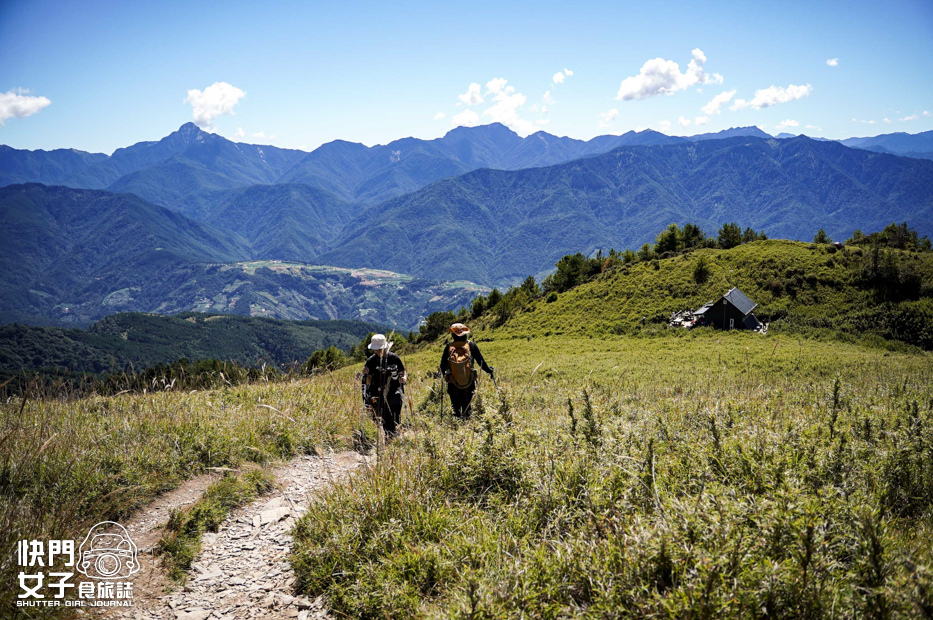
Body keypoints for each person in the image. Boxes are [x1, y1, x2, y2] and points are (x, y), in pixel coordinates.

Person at [440, 323, 494, 419]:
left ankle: (456, 427)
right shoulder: (471, 345)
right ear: (465, 334)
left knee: (455, 408)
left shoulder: (449, 347)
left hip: (453, 382)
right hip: (469, 381)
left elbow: (442, 366)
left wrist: (447, 375)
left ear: (452, 335)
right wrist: (489, 370)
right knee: (467, 407)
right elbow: (480, 361)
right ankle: (467, 424)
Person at [361, 334, 406, 438]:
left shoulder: (394, 358)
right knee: (384, 413)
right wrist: (366, 374)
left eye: (379, 349)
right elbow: (368, 382)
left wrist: (403, 378)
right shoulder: (371, 361)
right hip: (378, 390)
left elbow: (402, 371)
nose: (377, 351)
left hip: (394, 388)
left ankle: (394, 430)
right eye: (375, 349)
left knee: (395, 406)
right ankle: (388, 434)